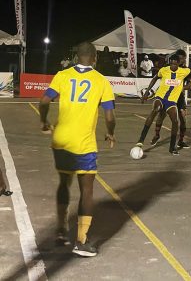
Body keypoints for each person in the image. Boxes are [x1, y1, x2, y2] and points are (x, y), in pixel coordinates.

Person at [39, 42, 116, 257]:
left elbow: (44, 100)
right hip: (83, 143)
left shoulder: (62, 75)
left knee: (64, 183)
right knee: (87, 189)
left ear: (76, 57)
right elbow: (110, 116)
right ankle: (81, 241)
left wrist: (44, 121)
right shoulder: (101, 81)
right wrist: (110, 132)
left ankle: (61, 230)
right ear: (94, 58)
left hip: (61, 139)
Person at [136, 54, 191, 155]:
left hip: (171, 101)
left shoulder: (184, 71)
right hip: (160, 97)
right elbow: (155, 78)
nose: (173, 66)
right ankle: (140, 141)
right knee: (156, 110)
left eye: (175, 64)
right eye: (171, 63)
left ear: (179, 63)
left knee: (175, 121)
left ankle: (172, 147)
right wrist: (147, 92)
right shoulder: (164, 70)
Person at [149, 50, 191, 149]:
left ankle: (181, 141)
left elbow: (190, 85)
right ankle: (156, 135)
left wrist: (180, 87)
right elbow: (159, 77)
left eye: (183, 58)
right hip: (167, 97)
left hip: (179, 97)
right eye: (180, 58)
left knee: (183, 118)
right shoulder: (169, 67)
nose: (182, 60)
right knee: (161, 115)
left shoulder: (186, 71)